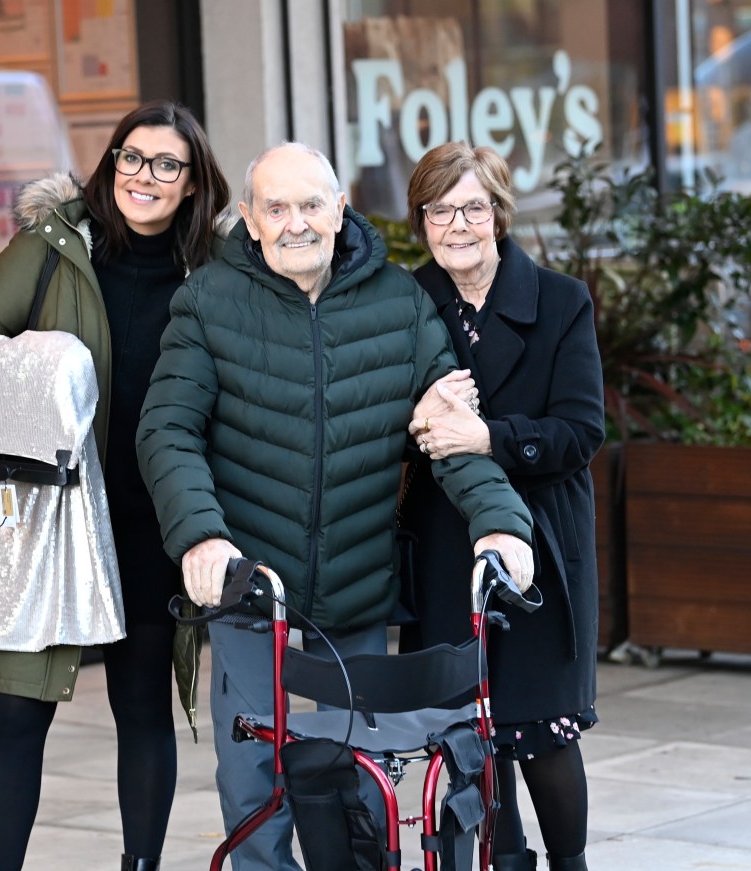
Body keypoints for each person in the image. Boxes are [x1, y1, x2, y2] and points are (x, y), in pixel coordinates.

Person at [135, 141, 535, 871]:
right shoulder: (207, 303)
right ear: (250, 221)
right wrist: (199, 537)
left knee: (354, 776)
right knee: (255, 778)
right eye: (276, 208)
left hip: (353, 587)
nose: (295, 223)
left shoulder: (398, 302)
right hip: (250, 586)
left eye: (310, 205)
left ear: (339, 210)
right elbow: (167, 429)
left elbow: (445, 430)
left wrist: (501, 522)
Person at [0, 100, 231, 871]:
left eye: (166, 164)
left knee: (142, 714)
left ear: (193, 183)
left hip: (148, 523)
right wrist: (48, 372)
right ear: (110, 163)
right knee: (17, 719)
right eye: (130, 157)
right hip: (44, 519)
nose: (144, 176)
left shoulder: (215, 270)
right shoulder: (52, 244)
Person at [399, 141, 605, 871]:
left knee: (543, 730)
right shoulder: (407, 301)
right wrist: (419, 417)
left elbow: (580, 431)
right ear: (420, 220)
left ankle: (569, 862)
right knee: (469, 737)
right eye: (439, 210)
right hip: (445, 544)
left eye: (472, 207)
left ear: (498, 212)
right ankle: (502, 859)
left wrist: (486, 434)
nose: (457, 224)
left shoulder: (559, 299)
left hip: (541, 548)